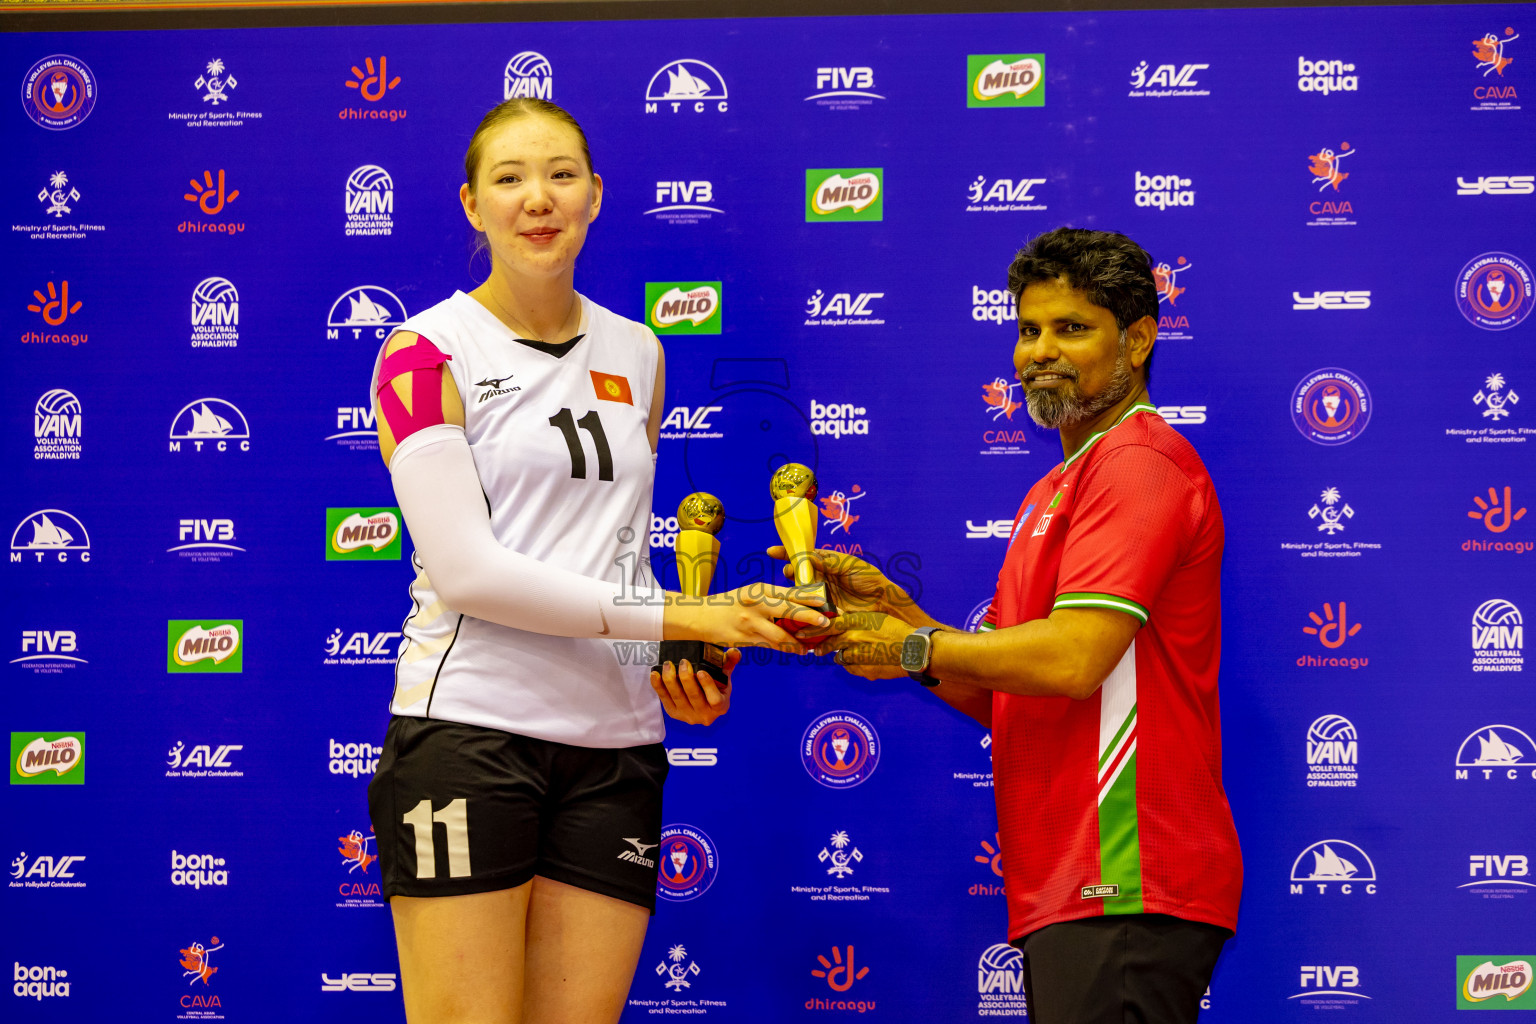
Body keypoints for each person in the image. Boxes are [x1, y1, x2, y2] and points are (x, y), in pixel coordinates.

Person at [366, 97, 827, 1024]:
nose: (538, 199)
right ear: (472, 206)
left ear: (595, 196)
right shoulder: (421, 352)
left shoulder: (642, 351)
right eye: (510, 179)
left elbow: (612, 557)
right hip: (470, 732)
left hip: (615, 746)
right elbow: (470, 574)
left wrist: (679, 654)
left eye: (560, 175)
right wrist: (684, 617)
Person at [789, 228, 1242, 1024]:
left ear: (1138, 340)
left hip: (1127, 871)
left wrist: (914, 643)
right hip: (1067, 881)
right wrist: (899, 621)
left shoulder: (1139, 462)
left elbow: (1073, 661)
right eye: (1029, 329)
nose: (1039, 351)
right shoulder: (1050, 491)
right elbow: (1011, 687)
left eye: (1072, 328)